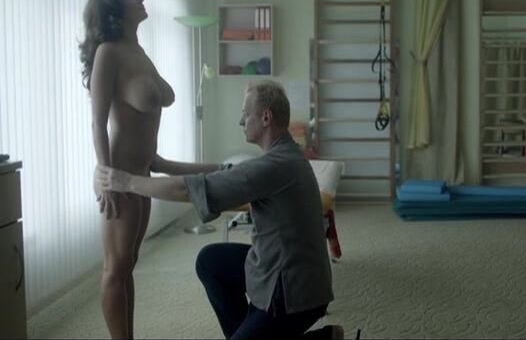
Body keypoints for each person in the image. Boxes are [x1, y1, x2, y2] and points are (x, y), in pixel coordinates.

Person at [95, 81, 343, 339]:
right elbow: (225, 171)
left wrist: (127, 182)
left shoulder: (275, 166)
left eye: (245, 114)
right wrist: (165, 165)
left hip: (294, 293)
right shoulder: (284, 156)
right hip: (287, 269)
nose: (240, 121)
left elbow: (187, 191)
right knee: (210, 261)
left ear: (266, 117)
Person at [79, 0, 176, 339]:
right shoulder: (109, 52)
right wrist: (106, 176)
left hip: (142, 174)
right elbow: (97, 122)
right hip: (120, 175)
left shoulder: (139, 51)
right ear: (115, 11)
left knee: (128, 266)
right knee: (115, 268)